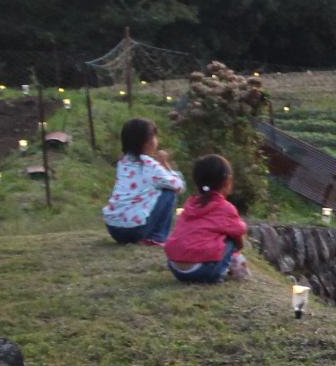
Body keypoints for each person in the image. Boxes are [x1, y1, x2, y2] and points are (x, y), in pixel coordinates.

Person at [164, 153, 250, 284]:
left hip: (176, 268)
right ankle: (231, 267)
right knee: (231, 239)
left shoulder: (189, 204)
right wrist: (237, 249)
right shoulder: (225, 208)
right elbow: (240, 232)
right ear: (228, 181)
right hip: (202, 272)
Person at [102, 118, 182, 247]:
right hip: (135, 229)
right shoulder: (150, 165)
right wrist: (165, 164)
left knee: (152, 192)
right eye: (155, 136)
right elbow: (179, 186)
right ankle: (158, 237)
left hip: (114, 229)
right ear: (147, 143)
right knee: (169, 192)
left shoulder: (122, 163)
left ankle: (146, 235)